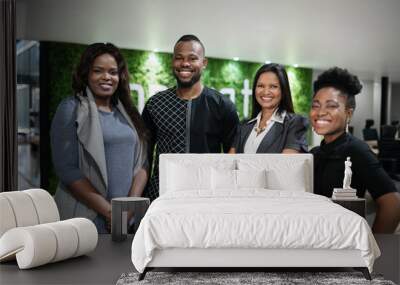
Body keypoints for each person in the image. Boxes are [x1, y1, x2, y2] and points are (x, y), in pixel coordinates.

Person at [51, 43, 148, 233]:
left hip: (127, 219)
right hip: (87, 216)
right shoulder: (71, 108)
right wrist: (110, 212)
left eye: (113, 72)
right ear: (86, 73)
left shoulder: (128, 112)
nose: (106, 77)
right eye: (98, 71)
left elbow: (142, 163)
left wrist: (128, 209)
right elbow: (66, 169)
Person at [142, 34, 239, 200]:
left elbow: (234, 155)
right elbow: (144, 157)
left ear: (204, 63)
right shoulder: (155, 104)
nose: (185, 63)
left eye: (192, 58)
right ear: (172, 61)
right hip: (161, 196)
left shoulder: (222, 105)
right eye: (179, 58)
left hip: (207, 197)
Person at [310, 67, 400, 233]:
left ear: (348, 114)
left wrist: (373, 248)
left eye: (331, 106)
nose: (320, 112)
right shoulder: (315, 153)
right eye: (316, 105)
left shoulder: (356, 150)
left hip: (342, 245)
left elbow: (392, 204)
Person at [229, 63, 308, 153]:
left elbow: (287, 164)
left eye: (273, 86)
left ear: (283, 90)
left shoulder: (295, 124)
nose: (266, 92)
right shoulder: (243, 126)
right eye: (261, 86)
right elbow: (231, 161)